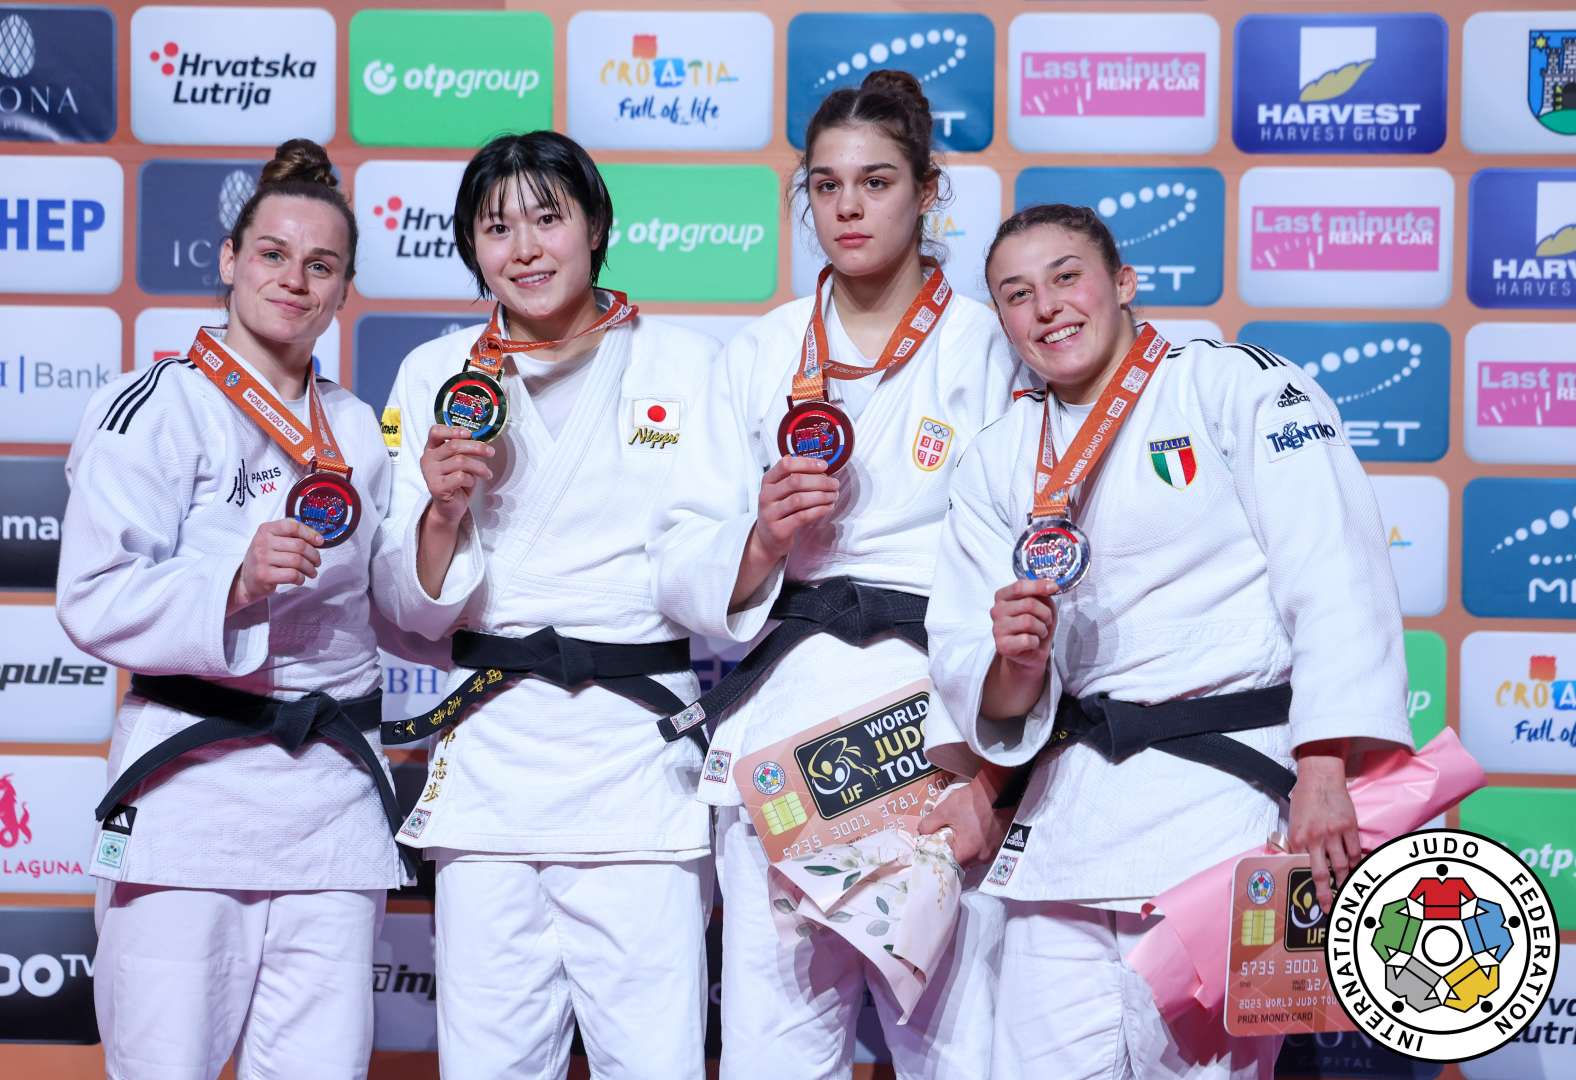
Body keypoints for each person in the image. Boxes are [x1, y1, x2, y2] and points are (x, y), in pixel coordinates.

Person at [926, 203, 1415, 1078]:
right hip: (1068, 820)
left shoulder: (1238, 387)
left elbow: (1335, 572)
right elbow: (976, 675)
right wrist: (1015, 660)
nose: (1046, 306)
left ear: (1123, 284)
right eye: (1016, 294)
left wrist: (1324, 766)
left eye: (1067, 276)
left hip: (1229, 811)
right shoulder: (997, 459)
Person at [650, 70, 1023, 1079]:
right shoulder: (761, 350)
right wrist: (760, 540)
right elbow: (679, 548)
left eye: (875, 182)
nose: (848, 208)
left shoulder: (993, 348)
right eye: (825, 186)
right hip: (787, 742)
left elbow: (1036, 555)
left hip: (935, 733)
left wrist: (995, 773)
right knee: (776, 1053)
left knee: (961, 1055)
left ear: (927, 192)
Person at [57, 139, 405, 1080]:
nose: (295, 280)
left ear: (343, 287)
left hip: (328, 804)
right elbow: (90, 597)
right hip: (189, 800)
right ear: (228, 261)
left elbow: (394, 605)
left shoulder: (362, 435)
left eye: (321, 265)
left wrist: (448, 517)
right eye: (273, 254)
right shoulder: (152, 409)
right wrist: (231, 585)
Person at [374, 130, 717, 1079]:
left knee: (654, 1062)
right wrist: (443, 506)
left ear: (597, 224)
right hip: (491, 767)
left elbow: (718, 579)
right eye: (495, 227)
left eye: (546, 217)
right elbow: (408, 604)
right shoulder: (435, 374)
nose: (523, 247)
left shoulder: (684, 363)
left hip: (636, 772)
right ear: (471, 249)